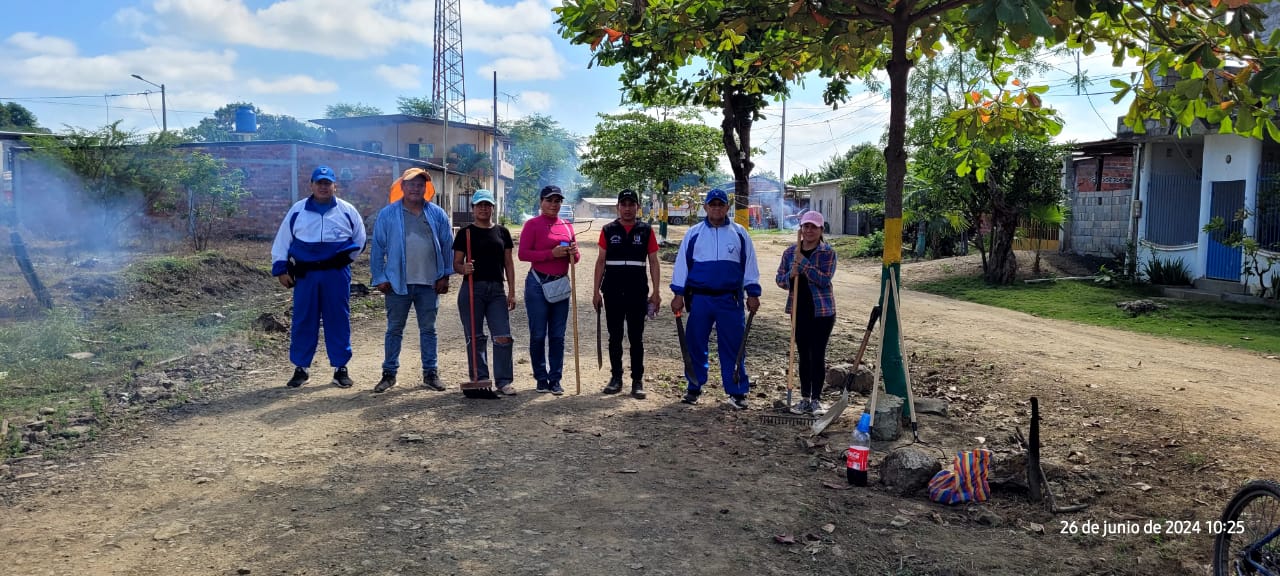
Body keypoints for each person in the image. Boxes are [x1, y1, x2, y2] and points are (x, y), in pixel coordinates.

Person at [270, 165, 367, 388]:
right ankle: (301, 368)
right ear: (311, 185)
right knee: (304, 318)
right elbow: (282, 240)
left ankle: (340, 367)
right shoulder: (298, 210)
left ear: (335, 186)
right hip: (306, 275)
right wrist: (281, 269)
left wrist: (342, 261)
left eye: (327, 183)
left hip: (336, 274)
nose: (323, 187)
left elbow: (360, 239)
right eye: (319, 183)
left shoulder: (347, 210)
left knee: (338, 318)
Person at [669, 188, 761, 409]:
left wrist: (753, 293)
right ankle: (694, 386)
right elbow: (682, 265)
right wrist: (678, 294)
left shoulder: (740, 233)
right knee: (695, 343)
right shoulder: (694, 234)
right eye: (713, 204)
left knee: (733, 345)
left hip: (730, 300)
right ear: (706, 207)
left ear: (727, 207)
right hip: (700, 299)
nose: (717, 208)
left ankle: (737, 390)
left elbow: (749, 265)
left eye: (721, 204)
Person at [370, 167, 454, 393]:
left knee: (428, 330)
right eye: (411, 184)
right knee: (394, 329)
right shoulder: (388, 214)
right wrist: (379, 277)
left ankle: (430, 373)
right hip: (397, 283)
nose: (415, 188)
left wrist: (445, 275)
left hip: (429, 283)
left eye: (420, 185)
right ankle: (389, 374)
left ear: (425, 188)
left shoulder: (437, 214)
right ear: (403, 187)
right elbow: (377, 247)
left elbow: (447, 245)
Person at [592, 189, 661, 399]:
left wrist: (656, 292)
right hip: (612, 291)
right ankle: (616, 378)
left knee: (636, 338)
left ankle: (637, 381)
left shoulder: (646, 231)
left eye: (632, 204)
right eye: (624, 204)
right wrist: (595, 292)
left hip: (637, 292)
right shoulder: (608, 230)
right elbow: (600, 261)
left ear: (637, 207)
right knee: (614, 337)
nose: (628, 208)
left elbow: (654, 262)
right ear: (618, 207)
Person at [452, 189, 517, 395]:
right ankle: (480, 379)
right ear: (473, 208)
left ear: (492, 208)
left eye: (487, 205)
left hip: (496, 290)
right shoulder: (465, 233)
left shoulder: (502, 232)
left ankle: (504, 381)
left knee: (503, 336)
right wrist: (464, 268)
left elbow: (508, 263)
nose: (483, 208)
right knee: (475, 337)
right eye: (479, 205)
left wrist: (512, 291)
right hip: (472, 289)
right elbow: (456, 263)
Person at [518, 185, 579, 395]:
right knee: (537, 334)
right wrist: (551, 254)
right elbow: (523, 254)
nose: (554, 204)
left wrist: (573, 252)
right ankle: (541, 378)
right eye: (549, 200)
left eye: (557, 201)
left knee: (558, 335)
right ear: (541, 202)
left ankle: (555, 379)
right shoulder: (532, 225)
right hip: (537, 284)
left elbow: (576, 258)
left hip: (560, 284)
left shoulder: (567, 226)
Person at [775, 211, 837, 415]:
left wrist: (804, 264)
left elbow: (824, 280)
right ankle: (804, 398)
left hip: (822, 312)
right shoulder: (790, 252)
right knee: (803, 354)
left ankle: (816, 399)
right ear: (801, 228)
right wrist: (790, 275)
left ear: (821, 230)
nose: (809, 231)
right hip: (798, 310)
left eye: (814, 227)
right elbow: (780, 280)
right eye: (806, 226)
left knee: (817, 354)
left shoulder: (827, 253)